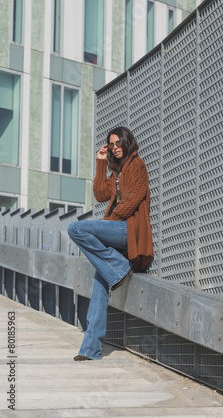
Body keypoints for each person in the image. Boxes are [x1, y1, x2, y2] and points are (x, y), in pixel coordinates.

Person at [67, 126, 153, 361]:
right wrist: (100, 163)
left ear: (127, 142)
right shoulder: (117, 171)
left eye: (118, 144)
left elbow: (131, 203)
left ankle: (118, 266)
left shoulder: (137, 166)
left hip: (130, 232)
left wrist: (106, 226)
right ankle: (90, 350)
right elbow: (100, 194)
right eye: (111, 145)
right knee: (98, 288)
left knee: (76, 228)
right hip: (117, 233)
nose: (115, 148)